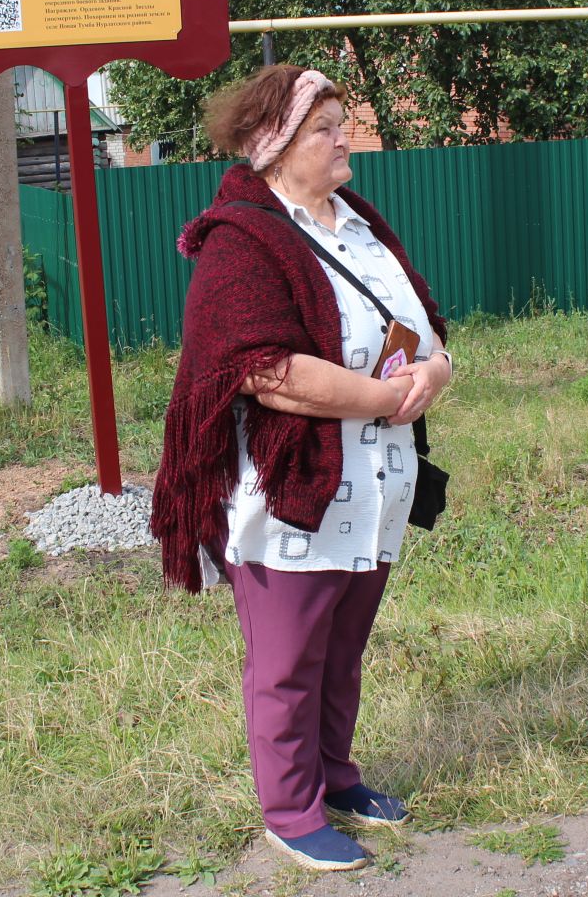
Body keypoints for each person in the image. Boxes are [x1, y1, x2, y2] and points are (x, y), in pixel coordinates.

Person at [150, 65, 454, 872]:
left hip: (376, 487)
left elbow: (425, 327)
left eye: (343, 121)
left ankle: (337, 779)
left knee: (341, 649)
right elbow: (259, 368)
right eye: (325, 128)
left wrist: (435, 374)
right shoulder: (241, 240)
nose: (344, 137)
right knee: (287, 663)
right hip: (291, 496)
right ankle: (290, 809)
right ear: (273, 147)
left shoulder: (356, 222)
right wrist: (384, 398)